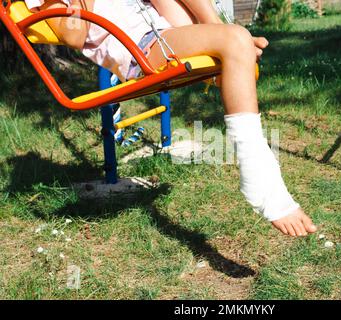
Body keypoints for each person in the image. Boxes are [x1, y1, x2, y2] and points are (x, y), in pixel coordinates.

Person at [23, 0, 317, 237]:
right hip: (144, 50)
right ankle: (261, 178)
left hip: (163, 30)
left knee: (234, 40)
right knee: (236, 39)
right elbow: (73, 34)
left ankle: (225, 39)